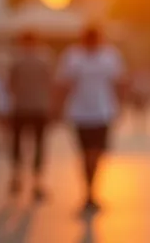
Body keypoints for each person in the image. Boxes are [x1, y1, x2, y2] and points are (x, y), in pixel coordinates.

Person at [55, 25, 126, 212]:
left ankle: (92, 191)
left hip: (103, 112)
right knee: (85, 155)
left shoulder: (110, 56)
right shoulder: (73, 57)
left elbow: (119, 82)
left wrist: (121, 106)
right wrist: (58, 107)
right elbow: (63, 84)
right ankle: (88, 192)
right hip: (79, 113)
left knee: (97, 154)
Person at [7, 30, 53, 199]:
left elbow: (10, 84)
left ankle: (16, 177)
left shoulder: (16, 59)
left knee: (17, 143)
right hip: (40, 107)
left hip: (20, 107)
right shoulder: (44, 59)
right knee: (39, 145)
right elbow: (51, 83)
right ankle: (37, 182)